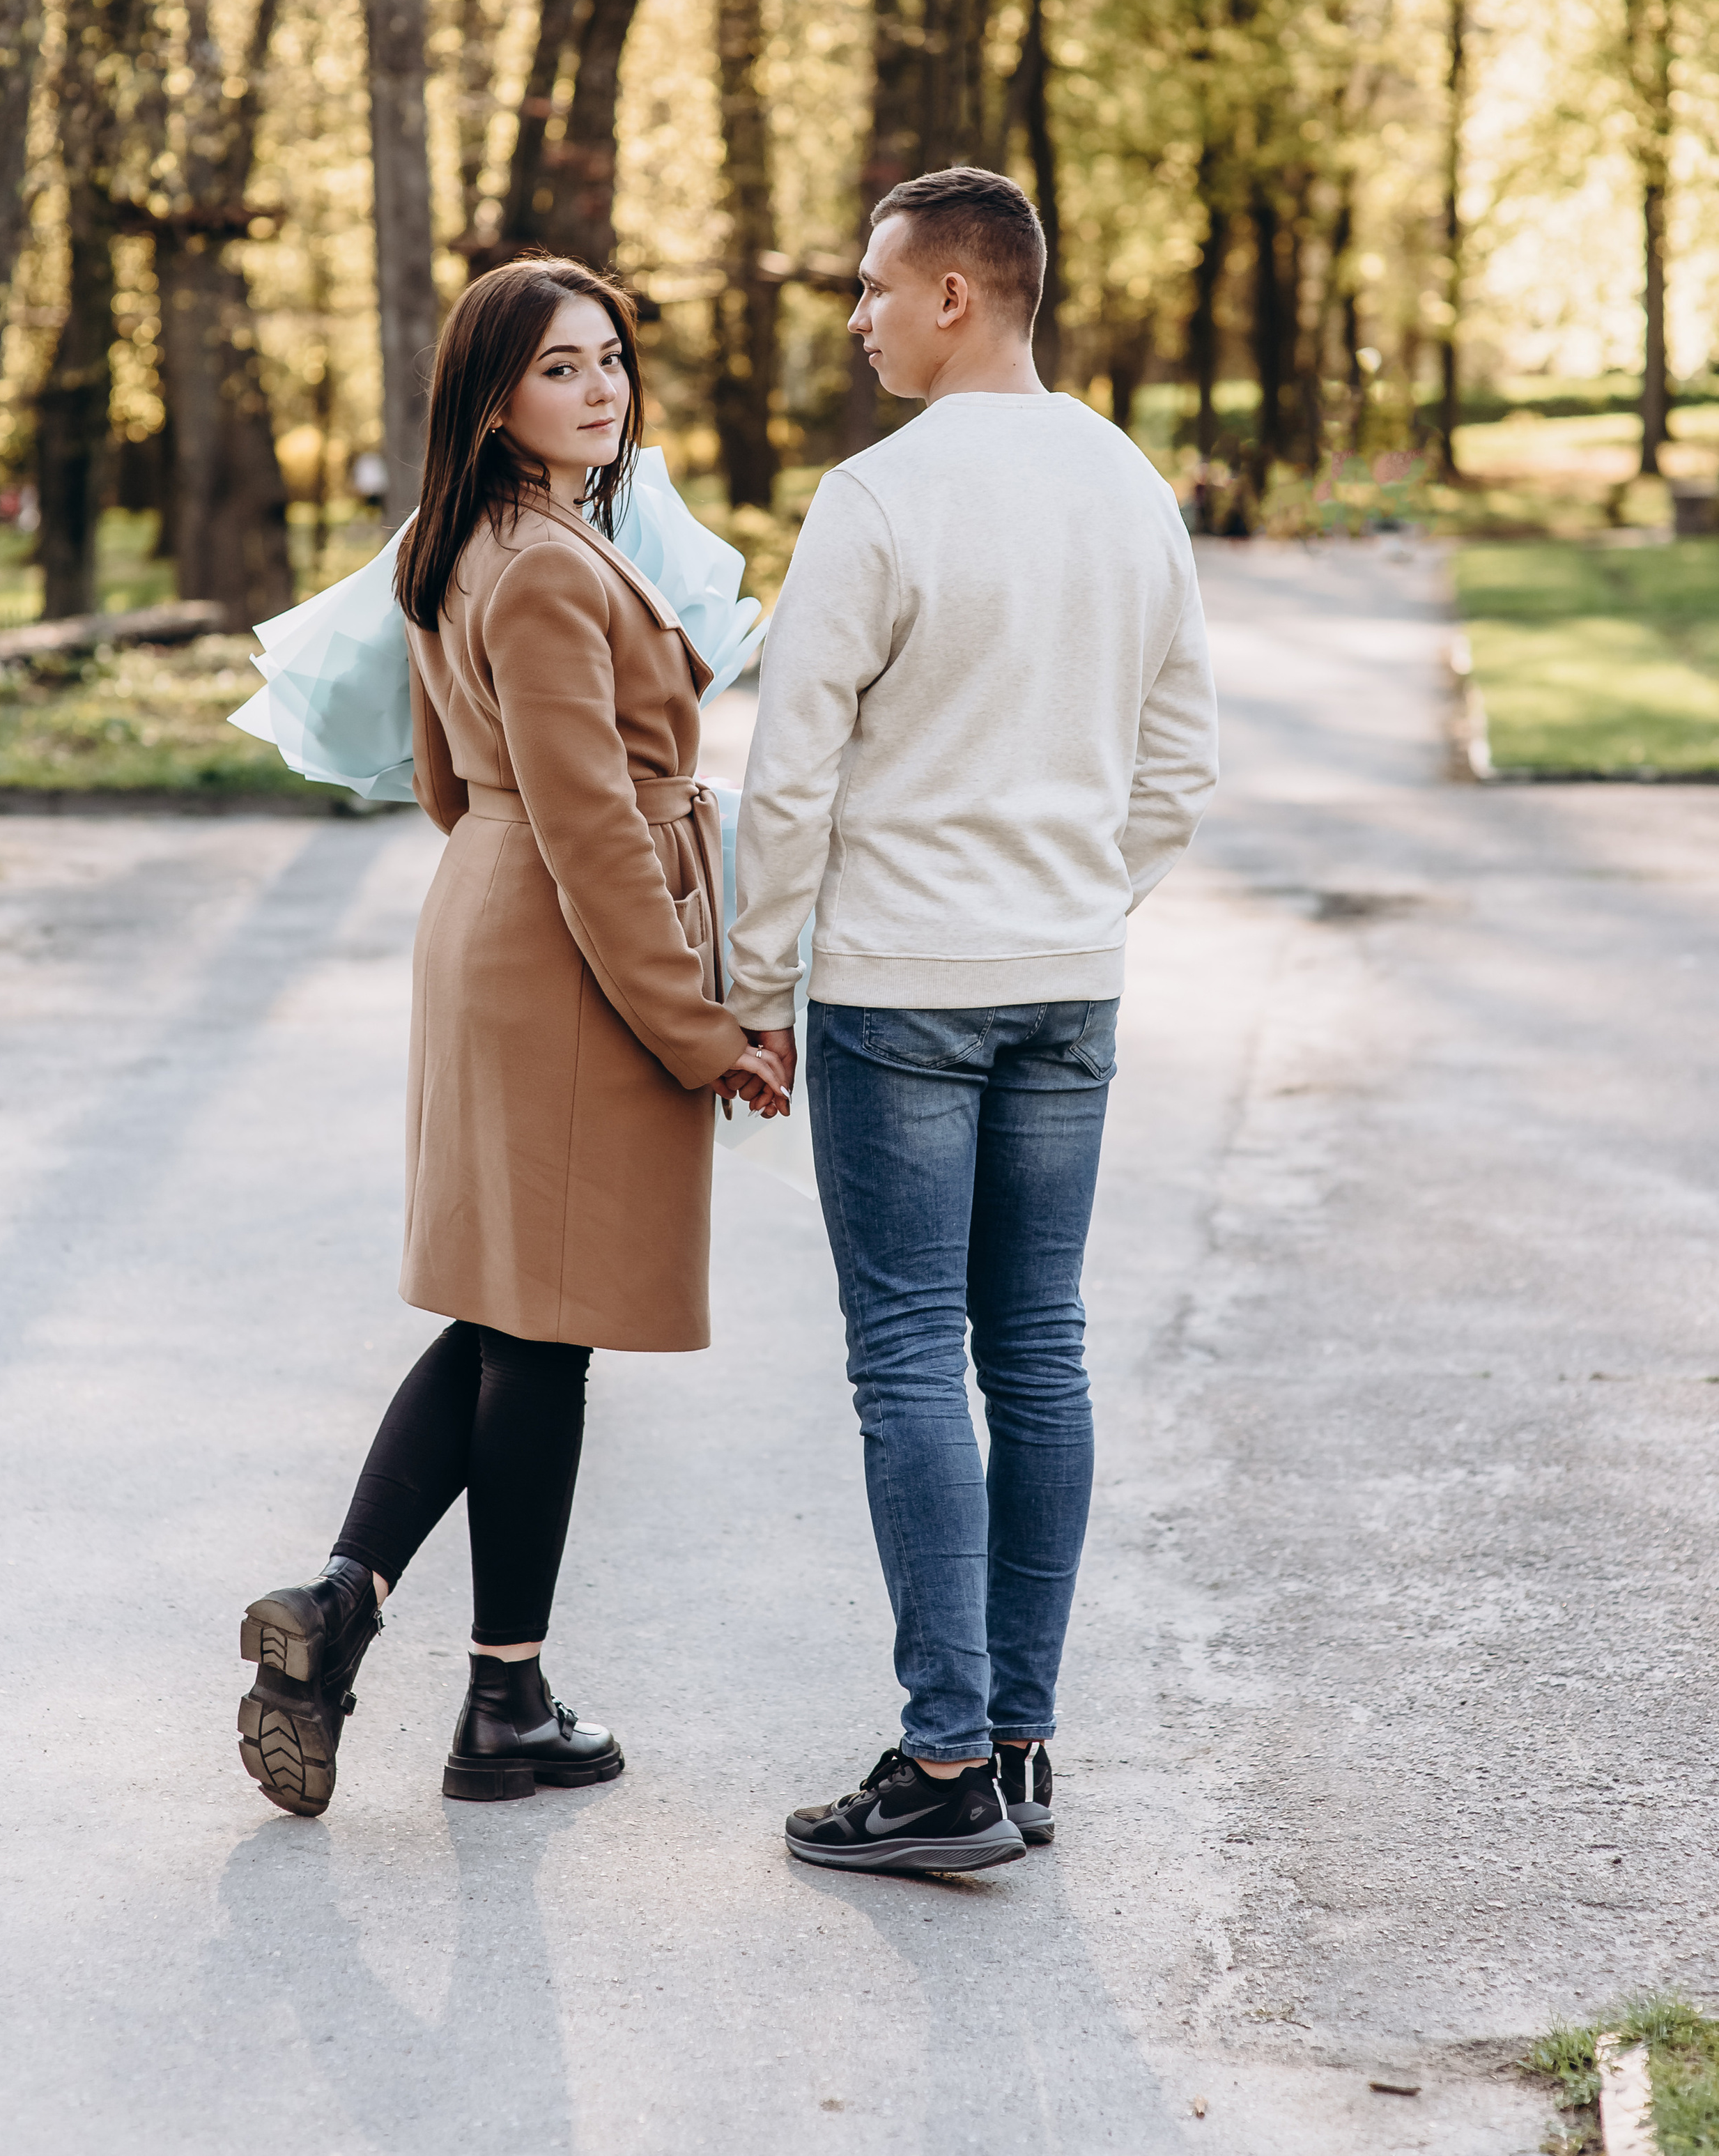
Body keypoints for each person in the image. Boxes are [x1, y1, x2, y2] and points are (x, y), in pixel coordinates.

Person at [237, 257, 787, 1819]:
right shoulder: (545, 568)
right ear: (492, 396)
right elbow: (592, 827)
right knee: (543, 1329)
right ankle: (495, 1698)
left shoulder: (461, 544)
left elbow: (444, 781)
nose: (600, 390)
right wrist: (700, 1028)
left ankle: (371, 1619)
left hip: (486, 916)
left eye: (610, 360)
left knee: (508, 1316)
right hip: (563, 953)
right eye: (560, 368)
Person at [728, 167, 1219, 1875]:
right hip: (1064, 982)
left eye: (873, 286)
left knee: (909, 1353)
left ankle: (940, 1770)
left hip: (901, 991)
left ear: (957, 294)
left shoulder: (877, 500)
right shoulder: (1127, 484)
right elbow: (1177, 768)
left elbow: (786, 777)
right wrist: (1078, 904)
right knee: (1036, 1350)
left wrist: (751, 988)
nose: (856, 314)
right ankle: (1017, 1742)